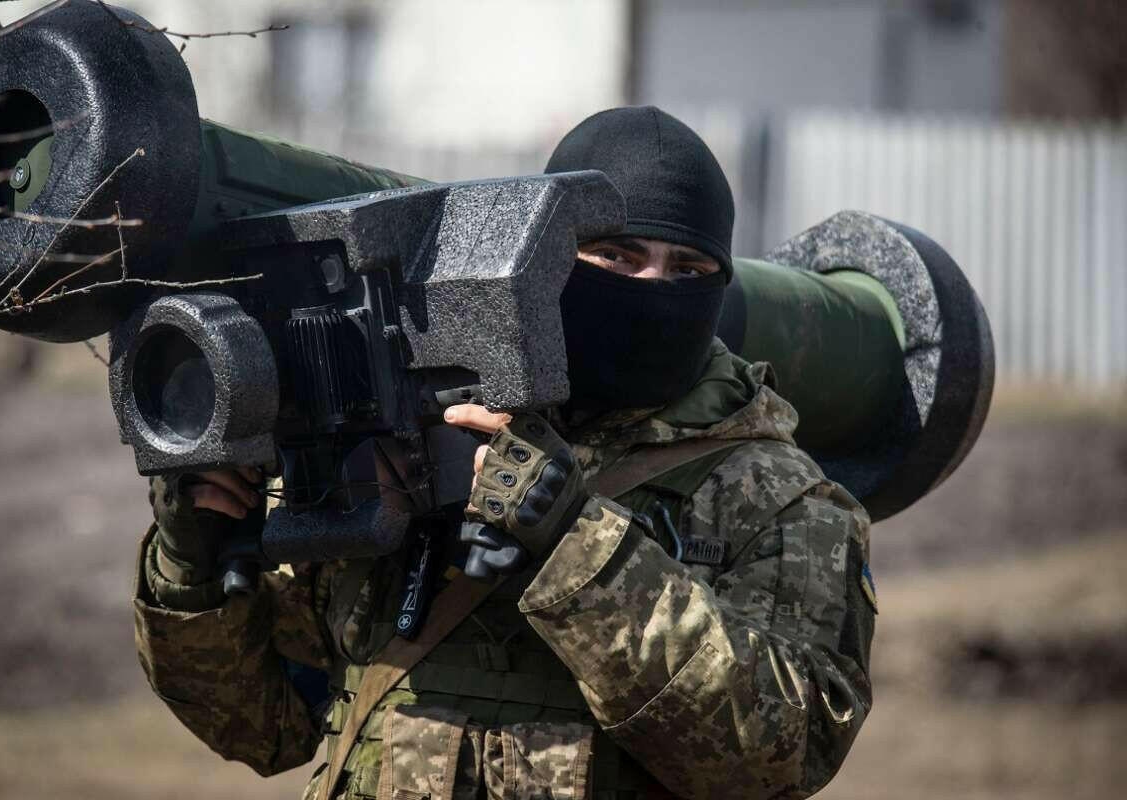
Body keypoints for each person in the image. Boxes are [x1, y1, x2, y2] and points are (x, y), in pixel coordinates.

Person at [134, 106, 875, 800]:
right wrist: (191, 565)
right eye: (616, 255)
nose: (653, 287)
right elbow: (266, 727)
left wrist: (576, 545)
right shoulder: (425, 432)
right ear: (547, 255)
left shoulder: (776, 495)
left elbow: (779, 755)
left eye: (687, 268)